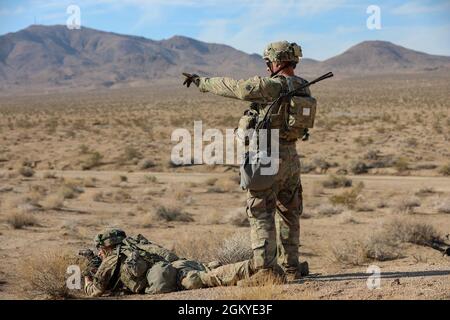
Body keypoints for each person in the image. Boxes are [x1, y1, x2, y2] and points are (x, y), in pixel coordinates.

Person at [183, 41, 315, 282]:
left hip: (266, 155)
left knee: (261, 211)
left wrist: (202, 82)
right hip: (291, 157)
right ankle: (292, 268)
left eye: (268, 62)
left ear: (278, 61)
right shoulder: (303, 86)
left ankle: (265, 271)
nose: (266, 67)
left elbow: (235, 88)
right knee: (289, 212)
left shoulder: (271, 86)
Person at [83, 228, 257, 297]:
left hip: (172, 276)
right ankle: (254, 267)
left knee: (207, 279)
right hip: (179, 264)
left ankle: (253, 267)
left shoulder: (112, 259)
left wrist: (86, 278)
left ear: (105, 247)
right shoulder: (135, 244)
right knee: (208, 272)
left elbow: (95, 291)